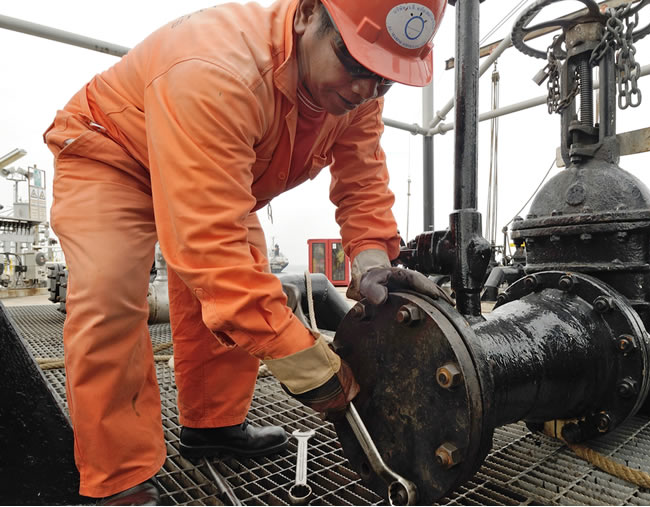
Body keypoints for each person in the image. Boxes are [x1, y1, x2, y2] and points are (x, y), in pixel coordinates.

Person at [42, 0, 448, 504]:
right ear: (307, 14)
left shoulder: (356, 92)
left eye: (385, 79)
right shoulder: (218, 69)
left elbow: (362, 176)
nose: (367, 88)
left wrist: (373, 261)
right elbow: (212, 251)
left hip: (211, 176)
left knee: (245, 277)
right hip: (114, 155)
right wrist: (305, 363)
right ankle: (118, 480)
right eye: (355, 62)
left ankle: (212, 424)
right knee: (109, 299)